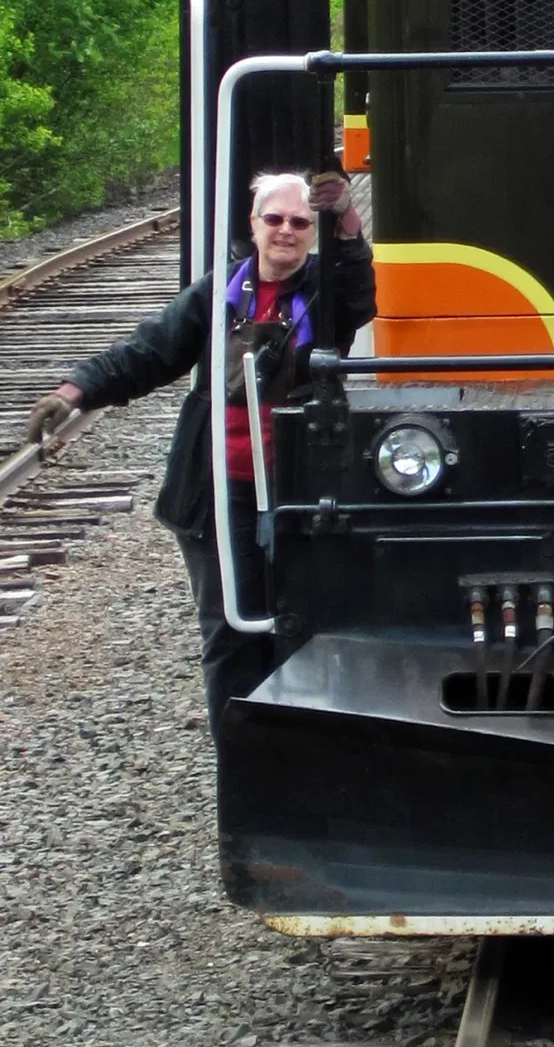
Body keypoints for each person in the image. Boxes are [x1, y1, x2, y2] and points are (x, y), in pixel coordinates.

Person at [26, 170, 375, 739]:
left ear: (313, 233)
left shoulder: (324, 291)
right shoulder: (218, 294)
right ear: (253, 225)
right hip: (219, 492)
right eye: (275, 219)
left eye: (299, 223)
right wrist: (75, 391)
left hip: (298, 490)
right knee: (229, 630)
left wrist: (349, 226)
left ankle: (305, 754)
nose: (286, 231)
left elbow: (359, 296)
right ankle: (241, 763)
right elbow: (148, 351)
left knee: (303, 621)